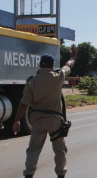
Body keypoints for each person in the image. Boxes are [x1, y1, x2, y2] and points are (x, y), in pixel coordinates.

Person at [13, 44, 78, 178]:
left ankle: (29, 173)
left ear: (40, 65)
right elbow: (68, 65)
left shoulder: (32, 81)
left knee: (33, 149)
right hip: (55, 121)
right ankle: (61, 174)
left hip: (37, 121)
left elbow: (24, 103)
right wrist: (73, 56)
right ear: (52, 66)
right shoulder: (58, 76)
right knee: (59, 150)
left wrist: (16, 120)